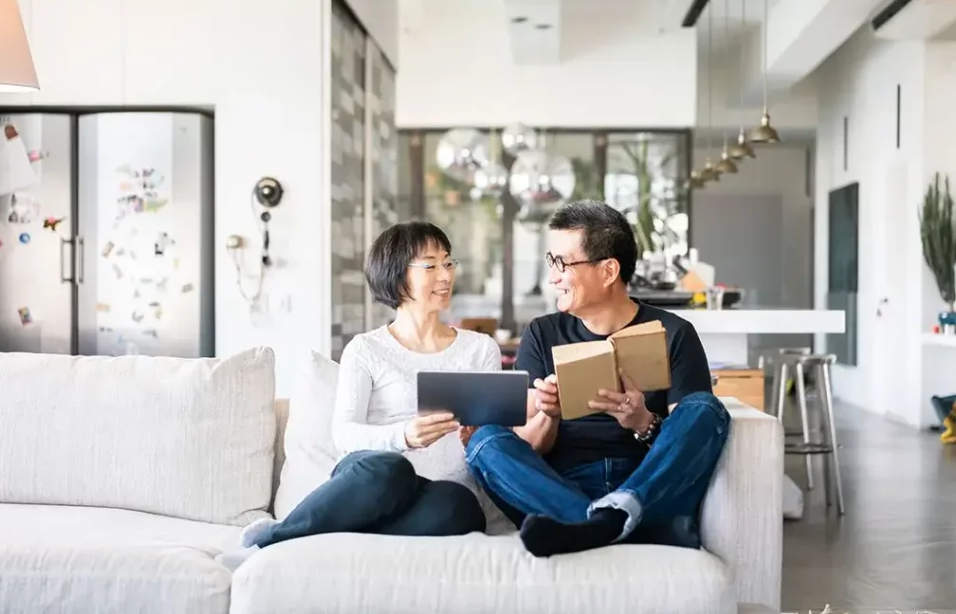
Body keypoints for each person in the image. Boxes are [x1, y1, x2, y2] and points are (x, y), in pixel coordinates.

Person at [463, 200, 731, 558]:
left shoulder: (675, 332)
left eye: (562, 263)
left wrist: (643, 422)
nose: (553, 275)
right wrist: (549, 415)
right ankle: (609, 523)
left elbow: (689, 440)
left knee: (705, 408)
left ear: (608, 271)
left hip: (645, 481)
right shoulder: (542, 333)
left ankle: (595, 524)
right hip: (560, 485)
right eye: (551, 262)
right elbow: (530, 446)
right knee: (485, 441)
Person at [237, 221, 497, 552]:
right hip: (374, 479)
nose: (445, 275)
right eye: (431, 265)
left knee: (462, 509)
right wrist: (403, 436)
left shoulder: (480, 348)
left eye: (448, 262)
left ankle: (341, 532)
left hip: (437, 493)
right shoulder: (365, 349)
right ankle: (277, 537)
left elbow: (494, 431)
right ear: (397, 274)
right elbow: (344, 435)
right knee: (392, 467)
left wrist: (484, 431)